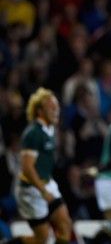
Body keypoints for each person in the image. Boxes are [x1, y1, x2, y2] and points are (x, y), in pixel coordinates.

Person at [7, 88, 72, 244]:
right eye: (51, 107)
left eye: (57, 106)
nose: (56, 110)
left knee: (65, 226)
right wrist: (42, 190)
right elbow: (27, 168)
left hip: (47, 183)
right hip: (31, 190)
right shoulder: (33, 133)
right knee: (41, 239)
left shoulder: (49, 129)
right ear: (39, 111)